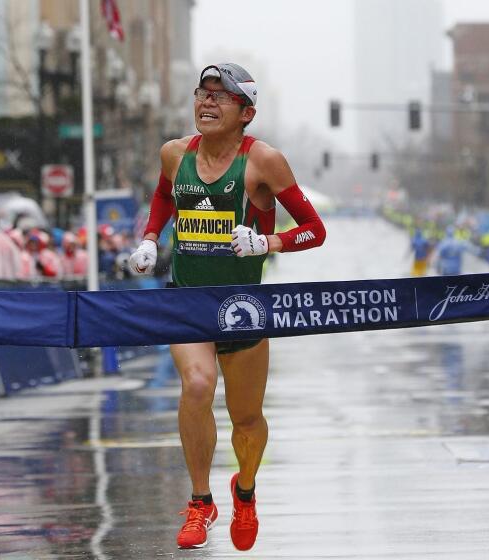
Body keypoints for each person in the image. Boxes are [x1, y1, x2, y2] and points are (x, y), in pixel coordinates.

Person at [128, 63, 326, 551]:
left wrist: (267, 242)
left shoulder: (265, 162)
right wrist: (152, 238)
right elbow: (162, 194)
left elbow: (314, 230)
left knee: (246, 417)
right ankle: (200, 502)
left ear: (246, 113)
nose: (207, 103)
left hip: (243, 306)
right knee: (197, 384)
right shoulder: (175, 154)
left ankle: (245, 491)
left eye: (221, 98)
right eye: (202, 94)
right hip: (187, 300)